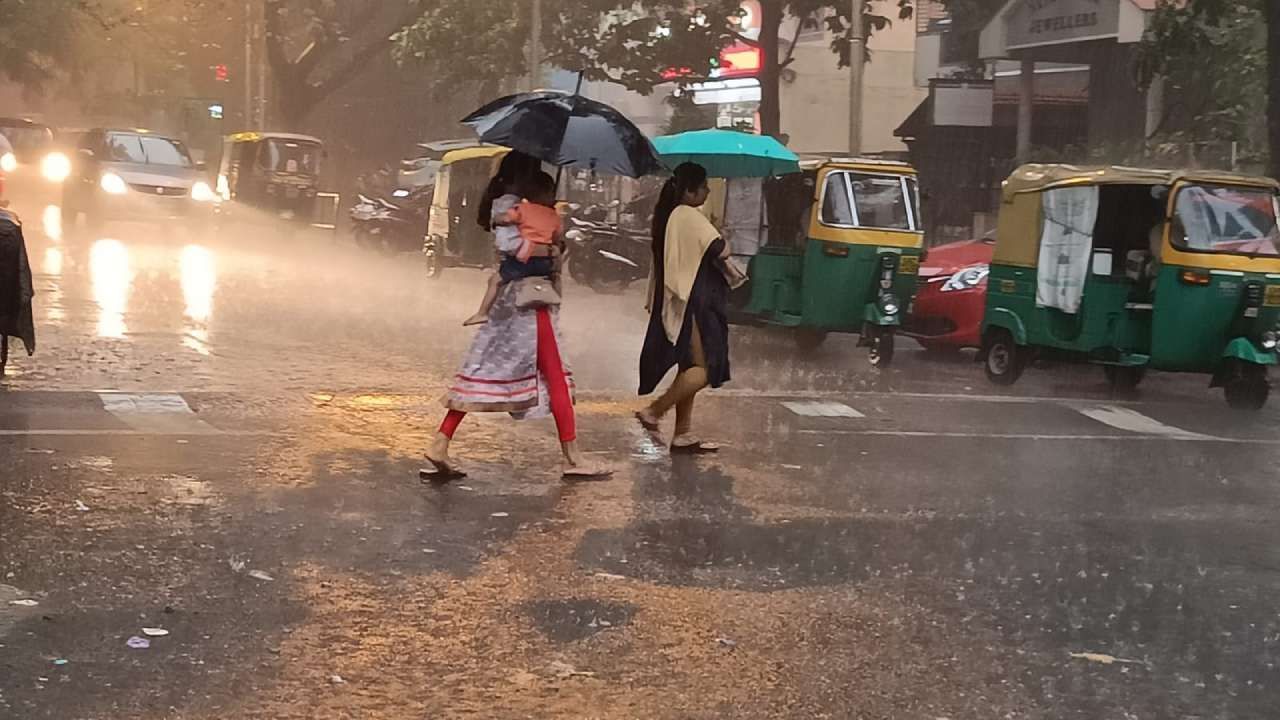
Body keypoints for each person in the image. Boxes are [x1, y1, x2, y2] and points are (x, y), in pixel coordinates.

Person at [424, 151, 610, 480]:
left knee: (482, 366)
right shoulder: (511, 207)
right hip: (529, 300)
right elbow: (513, 249)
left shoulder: (514, 205)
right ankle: (573, 457)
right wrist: (552, 248)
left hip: (516, 298)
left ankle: (441, 442)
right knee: (555, 374)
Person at [636, 162, 732, 453]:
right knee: (704, 369)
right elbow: (721, 249)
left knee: (688, 366)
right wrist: (720, 232)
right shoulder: (688, 215)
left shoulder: (671, 215)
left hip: (681, 299)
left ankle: (683, 433)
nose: (706, 191)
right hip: (694, 302)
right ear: (689, 191)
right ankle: (654, 411)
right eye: (703, 187)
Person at [463, 171, 562, 326]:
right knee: (555, 276)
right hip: (545, 261)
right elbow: (557, 237)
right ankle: (556, 303)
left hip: (525, 259)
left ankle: (482, 313)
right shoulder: (554, 215)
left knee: (495, 280)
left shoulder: (523, 209)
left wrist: (497, 219)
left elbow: (507, 219)